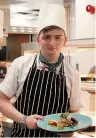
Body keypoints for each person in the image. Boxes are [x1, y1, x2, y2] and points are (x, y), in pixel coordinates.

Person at [0, 4, 83, 137]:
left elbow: (74, 111)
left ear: (65, 40)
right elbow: (1, 100)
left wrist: (70, 130)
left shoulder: (72, 73)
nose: (52, 42)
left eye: (57, 37)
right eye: (47, 37)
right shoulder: (21, 65)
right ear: (39, 40)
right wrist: (24, 119)